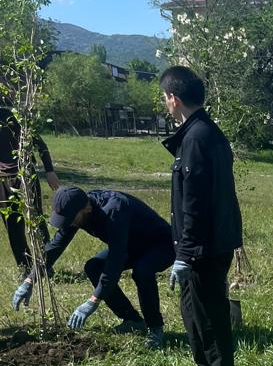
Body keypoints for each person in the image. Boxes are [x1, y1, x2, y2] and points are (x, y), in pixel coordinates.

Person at [160, 65, 243, 366]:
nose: (165, 104)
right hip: (208, 242)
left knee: (209, 316)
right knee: (194, 312)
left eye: (165, 98)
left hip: (204, 247)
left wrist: (185, 253)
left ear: (174, 99)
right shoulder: (204, 132)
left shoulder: (196, 138)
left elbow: (194, 202)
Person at [14, 185, 174, 347]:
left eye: (71, 219)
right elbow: (55, 246)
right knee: (94, 267)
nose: (68, 223)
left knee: (142, 271)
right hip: (130, 245)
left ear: (87, 209)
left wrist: (93, 300)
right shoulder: (77, 209)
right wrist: (30, 279)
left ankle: (155, 328)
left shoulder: (114, 210)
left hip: (162, 244)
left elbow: (115, 261)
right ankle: (133, 321)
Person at [1, 106, 60, 277]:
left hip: (24, 174)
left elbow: (39, 143)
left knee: (35, 219)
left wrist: (49, 170)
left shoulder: (13, 116)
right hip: (2, 179)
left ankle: (46, 264)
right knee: (12, 224)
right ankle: (25, 268)